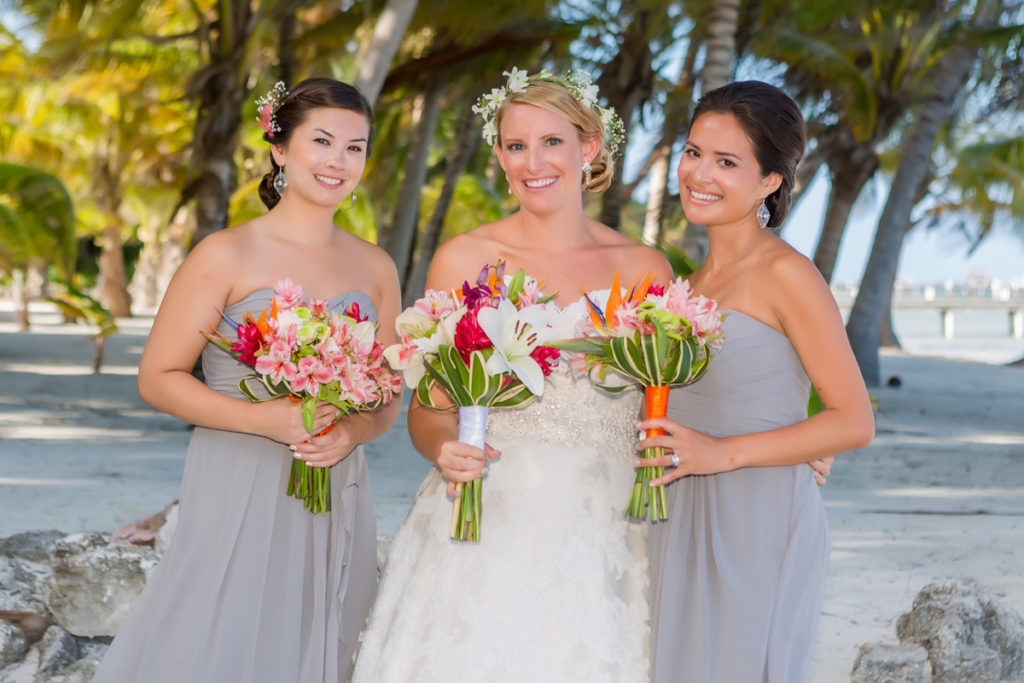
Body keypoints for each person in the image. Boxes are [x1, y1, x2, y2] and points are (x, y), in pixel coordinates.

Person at [352, 69, 674, 682]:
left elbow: (674, 399)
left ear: (590, 147)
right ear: (499, 155)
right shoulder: (465, 259)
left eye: (553, 142)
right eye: (516, 145)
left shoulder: (642, 267)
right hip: (485, 515)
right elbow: (431, 408)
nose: (534, 162)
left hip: (608, 526)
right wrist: (444, 449)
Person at [93, 77, 401, 683]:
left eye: (356, 147)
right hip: (237, 477)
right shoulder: (224, 255)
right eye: (322, 141)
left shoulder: (376, 266)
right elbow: (158, 377)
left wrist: (355, 431)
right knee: (216, 634)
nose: (339, 161)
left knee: (327, 634)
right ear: (280, 148)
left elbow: (388, 396)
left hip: (338, 485)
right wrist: (265, 418)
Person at [642, 80, 876, 682]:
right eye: (694, 152)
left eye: (727, 162)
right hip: (673, 510)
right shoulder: (684, 289)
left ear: (770, 181)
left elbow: (853, 420)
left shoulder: (787, 274)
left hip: (754, 517)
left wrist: (726, 452)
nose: (699, 173)